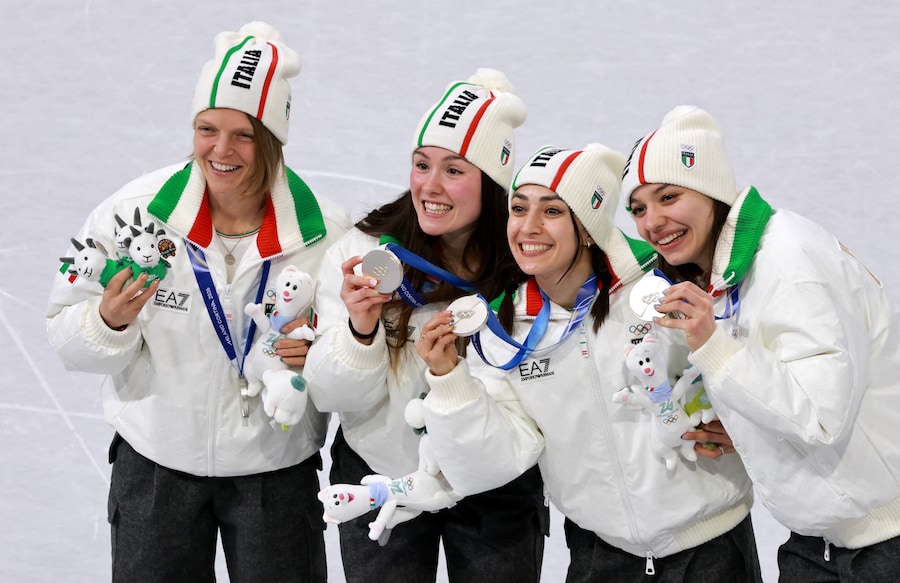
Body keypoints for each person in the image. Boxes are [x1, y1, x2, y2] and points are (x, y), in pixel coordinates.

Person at [46, 22, 350, 583]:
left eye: (243, 135)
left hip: (275, 477)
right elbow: (63, 335)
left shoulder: (328, 234)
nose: (221, 149)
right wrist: (108, 322)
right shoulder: (133, 215)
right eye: (207, 129)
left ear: (273, 140)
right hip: (155, 471)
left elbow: (358, 367)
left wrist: (324, 359)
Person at [416, 143, 763, 582]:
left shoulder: (664, 283)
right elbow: (490, 463)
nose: (529, 227)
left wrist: (744, 425)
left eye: (553, 211)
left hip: (710, 551)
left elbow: (755, 373)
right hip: (600, 557)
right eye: (519, 209)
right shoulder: (503, 329)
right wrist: (449, 381)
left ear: (588, 225)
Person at [623, 105, 900, 581]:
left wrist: (713, 346)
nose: (652, 222)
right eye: (638, 208)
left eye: (669, 196)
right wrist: (751, 431)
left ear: (711, 192)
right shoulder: (730, 273)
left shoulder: (788, 262)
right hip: (820, 543)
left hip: (883, 545)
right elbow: (788, 385)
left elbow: (820, 417)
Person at [303, 69, 547, 583]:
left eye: (454, 170)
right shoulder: (364, 251)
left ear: (493, 181)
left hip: (492, 489)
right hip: (381, 476)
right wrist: (359, 330)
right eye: (421, 164)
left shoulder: (529, 264)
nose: (430, 186)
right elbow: (325, 394)